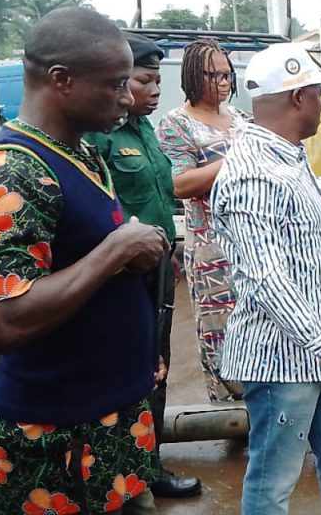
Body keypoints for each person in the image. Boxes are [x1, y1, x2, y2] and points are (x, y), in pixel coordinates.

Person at [0, 7, 168, 514]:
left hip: (114, 413)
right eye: (116, 83)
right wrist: (117, 248)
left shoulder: (79, 153)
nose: (127, 97)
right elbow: (5, 322)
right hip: (56, 434)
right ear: (62, 80)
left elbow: (81, 263)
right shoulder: (10, 170)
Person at [212, 43, 321, 515]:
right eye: (318, 94)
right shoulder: (254, 173)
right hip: (281, 362)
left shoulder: (288, 156)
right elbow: (267, 281)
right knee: (274, 482)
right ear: (297, 98)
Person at [83, 33, 202, 499]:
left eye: (157, 81)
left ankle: (148, 466)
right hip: (121, 273)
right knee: (128, 366)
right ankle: (120, 471)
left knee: (159, 365)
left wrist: (170, 247)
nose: (155, 90)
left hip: (156, 265)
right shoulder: (100, 137)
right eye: (145, 80)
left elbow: (158, 195)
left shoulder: (144, 129)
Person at [156, 39, 249, 402]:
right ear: (193, 76)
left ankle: (262, 408)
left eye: (227, 74)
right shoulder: (177, 124)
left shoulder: (240, 118)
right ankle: (229, 412)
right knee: (221, 332)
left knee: (254, 326)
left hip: (252, 242)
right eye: (213, 75)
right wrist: (236, 161)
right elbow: (178, 183)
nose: (223, 82)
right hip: (212, 249)